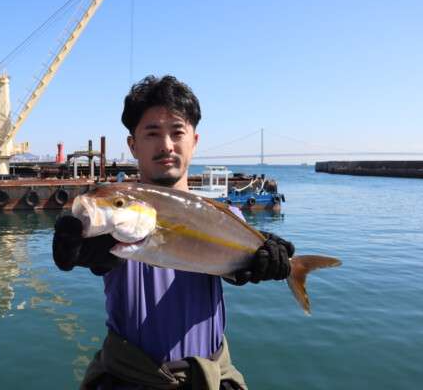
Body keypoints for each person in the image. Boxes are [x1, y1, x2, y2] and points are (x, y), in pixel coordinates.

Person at [52, 75, 295, 389]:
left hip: (210, 378)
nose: (166, 145)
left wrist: (260, 259)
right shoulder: (118, 210)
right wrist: (76, 243)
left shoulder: (228, 215)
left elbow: (234, 270)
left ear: (194, 142)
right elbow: (89, 239)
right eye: (152, 133)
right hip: (128, 378)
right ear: (133, 145)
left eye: (177, 132)